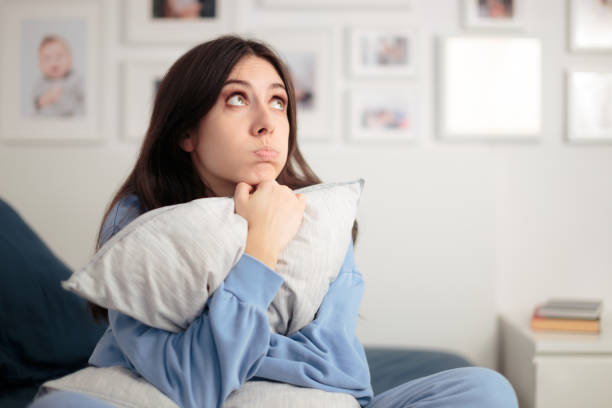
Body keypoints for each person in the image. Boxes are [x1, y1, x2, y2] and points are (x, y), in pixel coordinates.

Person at [29, 35, 518, 408]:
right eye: (237, 99)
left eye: (279, 101)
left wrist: (220, 352)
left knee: (484, 389)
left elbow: (340, 372)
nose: (266, 122)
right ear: (186, 131)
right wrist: (258, 248)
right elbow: (196, 387)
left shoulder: (320, 216)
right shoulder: (141, 219)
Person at [32, 35, 85, 117]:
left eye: (59, 56)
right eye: (48, 58)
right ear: (40, 65)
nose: (54, 62)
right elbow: (36, 104)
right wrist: (47, 98)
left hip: (72, 118)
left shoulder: (75, 79)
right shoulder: (41, 82)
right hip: (48, 121)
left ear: (70, 60)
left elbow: (84, 98)